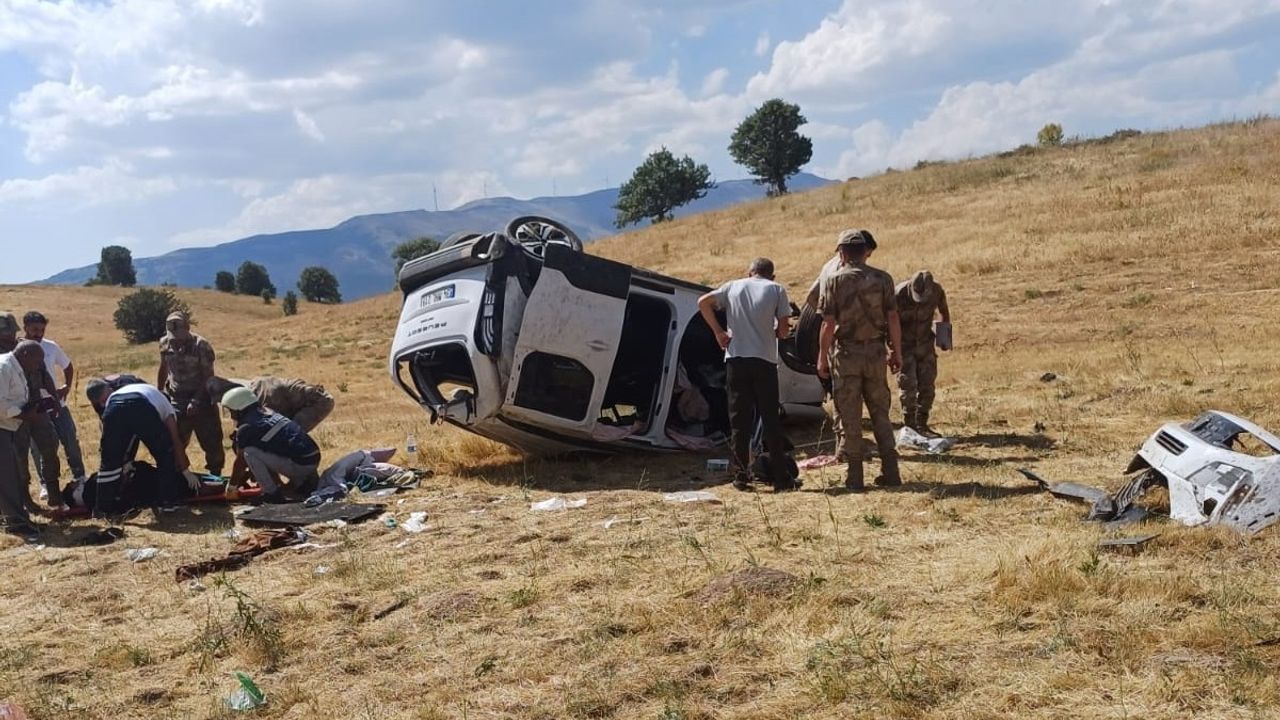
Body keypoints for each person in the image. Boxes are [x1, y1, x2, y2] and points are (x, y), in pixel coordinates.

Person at [696, 257, 795, 492]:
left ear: (749, 272)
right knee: (770, 418)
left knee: (739, 420)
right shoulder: (776, 289)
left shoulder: (732, 286)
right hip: (764, 360)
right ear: (771, 275)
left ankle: (741, 476)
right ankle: (781, 478)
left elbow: (703, 302)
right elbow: (783, 329)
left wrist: (719, 333)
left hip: (736, 359)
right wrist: (777, 331)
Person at [817, 230, 903, 491]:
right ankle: (891, 470)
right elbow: (893, 319)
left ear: (842, 253)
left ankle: (855, 477)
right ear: (866, 251)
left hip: (846, 355)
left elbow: (828, 323)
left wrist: (821, 357)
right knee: (881, 412)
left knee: (850, 415)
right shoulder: (883, 279)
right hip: (875, 353)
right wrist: (896, 352)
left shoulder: (833, 281)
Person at [803, 230, 877, 460]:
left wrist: (825, 316)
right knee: (846, 394)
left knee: (841, 392)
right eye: (868, 254)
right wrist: (837, 320)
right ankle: (845, 447)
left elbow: (811, 296)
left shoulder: (829, 265)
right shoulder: (842, 271)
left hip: (832, 334)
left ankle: (845, 444)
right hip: (844, 340)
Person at [87, 379, 192, 516]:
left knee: (109, 462)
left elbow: (109, 430)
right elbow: (175, 441)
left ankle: (102, 508)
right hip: (141, 406)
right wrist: (185, 470)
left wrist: (121, 458)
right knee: (165, 455)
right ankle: (168, 503)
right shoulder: (167, 407)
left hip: (113, 408)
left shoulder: (124, 392)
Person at [1, 313, 62, 507]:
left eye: (11, 331)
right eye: (4, 333)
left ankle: (54, 492)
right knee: (19, 456)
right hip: (14, 413)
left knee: (50, 445)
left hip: (36, 406)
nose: (9, 336)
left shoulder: (27, 348)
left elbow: (44, 375)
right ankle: (25, 498)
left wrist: (55, 399)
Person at [222, 387, 322, 503]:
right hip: (312, 460)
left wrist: (232, 487)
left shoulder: (247, 427)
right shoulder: (267, 411)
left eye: (231, 411)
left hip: (301, 466)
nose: (231, 415)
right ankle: (302, 482)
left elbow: (241, 462)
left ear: (239, 409)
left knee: (249, 452)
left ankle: (271, 493)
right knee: (260, 449)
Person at [24, 311, 86, 486]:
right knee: (37, 448)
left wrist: (66, 385)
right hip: (33, 407)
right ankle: (45, 483)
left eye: (42, 329)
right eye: (35, 329)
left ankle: (80, 476)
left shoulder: (51, 347)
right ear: (25, 327)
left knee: (70, 440)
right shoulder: (18, 349)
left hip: (57, 404)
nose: (39, 333)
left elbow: (67, 366)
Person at [157, 312, 223, 476]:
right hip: (177, 398)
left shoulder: (202, 346)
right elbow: (164, 367)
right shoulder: (165, 343)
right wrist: (159, 392)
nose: (175, 339)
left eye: (178, 334)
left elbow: (208, 377)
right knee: (175, 441)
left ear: (187, 328)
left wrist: (196, 400)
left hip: (203, 399)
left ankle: (215, 476)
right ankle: (178, 476)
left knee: (212, 442)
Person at [895, 271, 951, 437]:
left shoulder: (937, 290)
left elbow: (944, 312)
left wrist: (944, 339)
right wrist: (892, 349)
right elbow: (890, 321)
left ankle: (922, 424)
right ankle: (910, 426)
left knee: (928, 386)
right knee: (908, 386)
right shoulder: (899, 294)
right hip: (905, 345)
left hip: (925, 344)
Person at [1, 341, 45, 540]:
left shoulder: (14, 367)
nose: (38, 366)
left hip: (8, 426)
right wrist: (24, 414)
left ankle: (16, 519)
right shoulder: (4, 367)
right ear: (25, 354)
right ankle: (16, 523)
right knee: (7, 477)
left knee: (11, 474)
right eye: (37, 361)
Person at [206, 376, 336, 432]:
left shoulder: (263, 398)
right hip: (292, 404)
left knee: (289, 437)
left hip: (319, 402)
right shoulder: (239, 389)